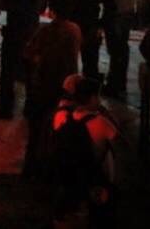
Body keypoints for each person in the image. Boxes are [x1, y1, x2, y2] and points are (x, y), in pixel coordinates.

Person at [22, 0, 81, 177]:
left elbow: (29, 53)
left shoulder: (46, 31)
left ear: (52, 10)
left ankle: (33, 167)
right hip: (66, 85)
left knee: (37, 128)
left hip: (45, 84)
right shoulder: (75, 29)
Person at [50, 77, 119, 228]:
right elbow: (117, 142)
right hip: (93, 178)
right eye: (98, 97)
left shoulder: (67, 118)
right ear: (93, 98)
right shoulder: (100, 121)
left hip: (70, 177)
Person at [0, 0, 47, 118]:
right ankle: (30, 108)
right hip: (32, 32)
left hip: (13, 32)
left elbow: (0, 5)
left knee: (8, 72)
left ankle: (6, 108)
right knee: (30, 71)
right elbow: (41, 9)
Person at [58, 0, 110, 81]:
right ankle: (89, 89)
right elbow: (110, 5)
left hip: (71, 24)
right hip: (91, 25)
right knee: (91, 64)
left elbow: (60, 1)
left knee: (68, 62)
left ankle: (67, 87)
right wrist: (101, 24)